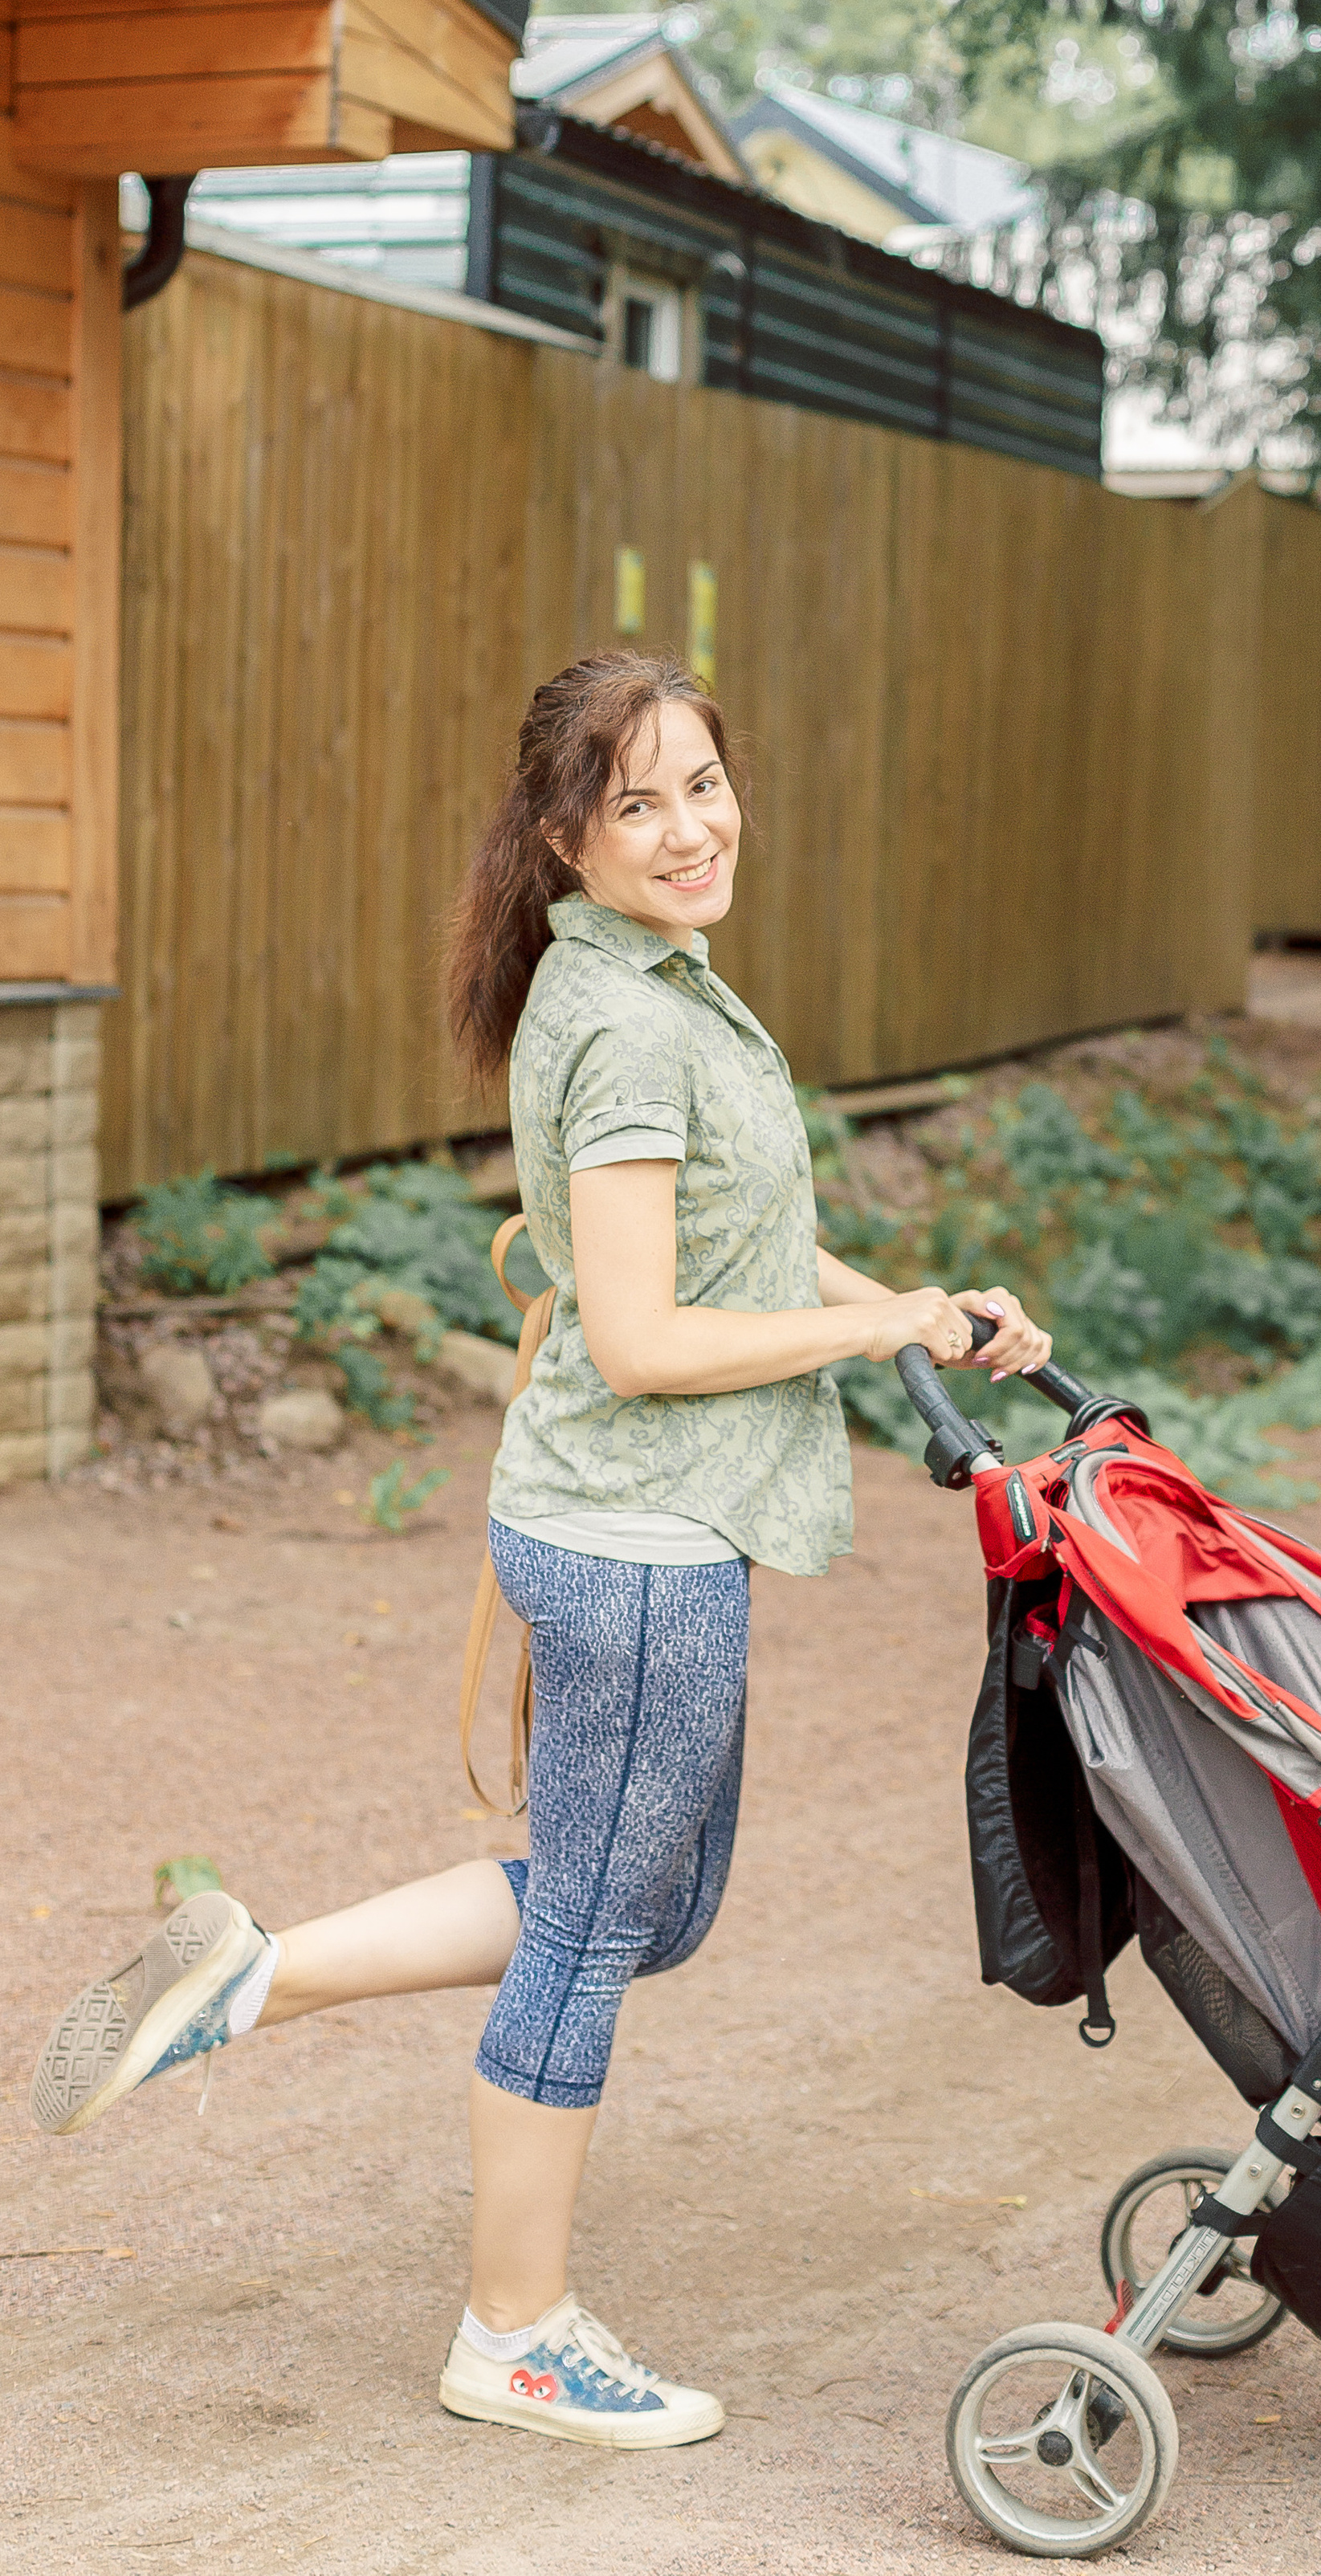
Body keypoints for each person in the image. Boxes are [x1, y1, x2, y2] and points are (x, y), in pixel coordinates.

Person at [31, 647, 1051, 2449]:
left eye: (702, 785)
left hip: (630, 1525)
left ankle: (247, 1975)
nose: (688, 828)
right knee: (590, 1927)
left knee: (648, 1908)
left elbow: (722, 1254)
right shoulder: (635, 1022)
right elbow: (647, 1338)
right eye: (636, 804)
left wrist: (914, 1309)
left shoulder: (639, 978)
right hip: (640, 1543)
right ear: (567, 837)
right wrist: (869, 1330)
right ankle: (514, 2332)